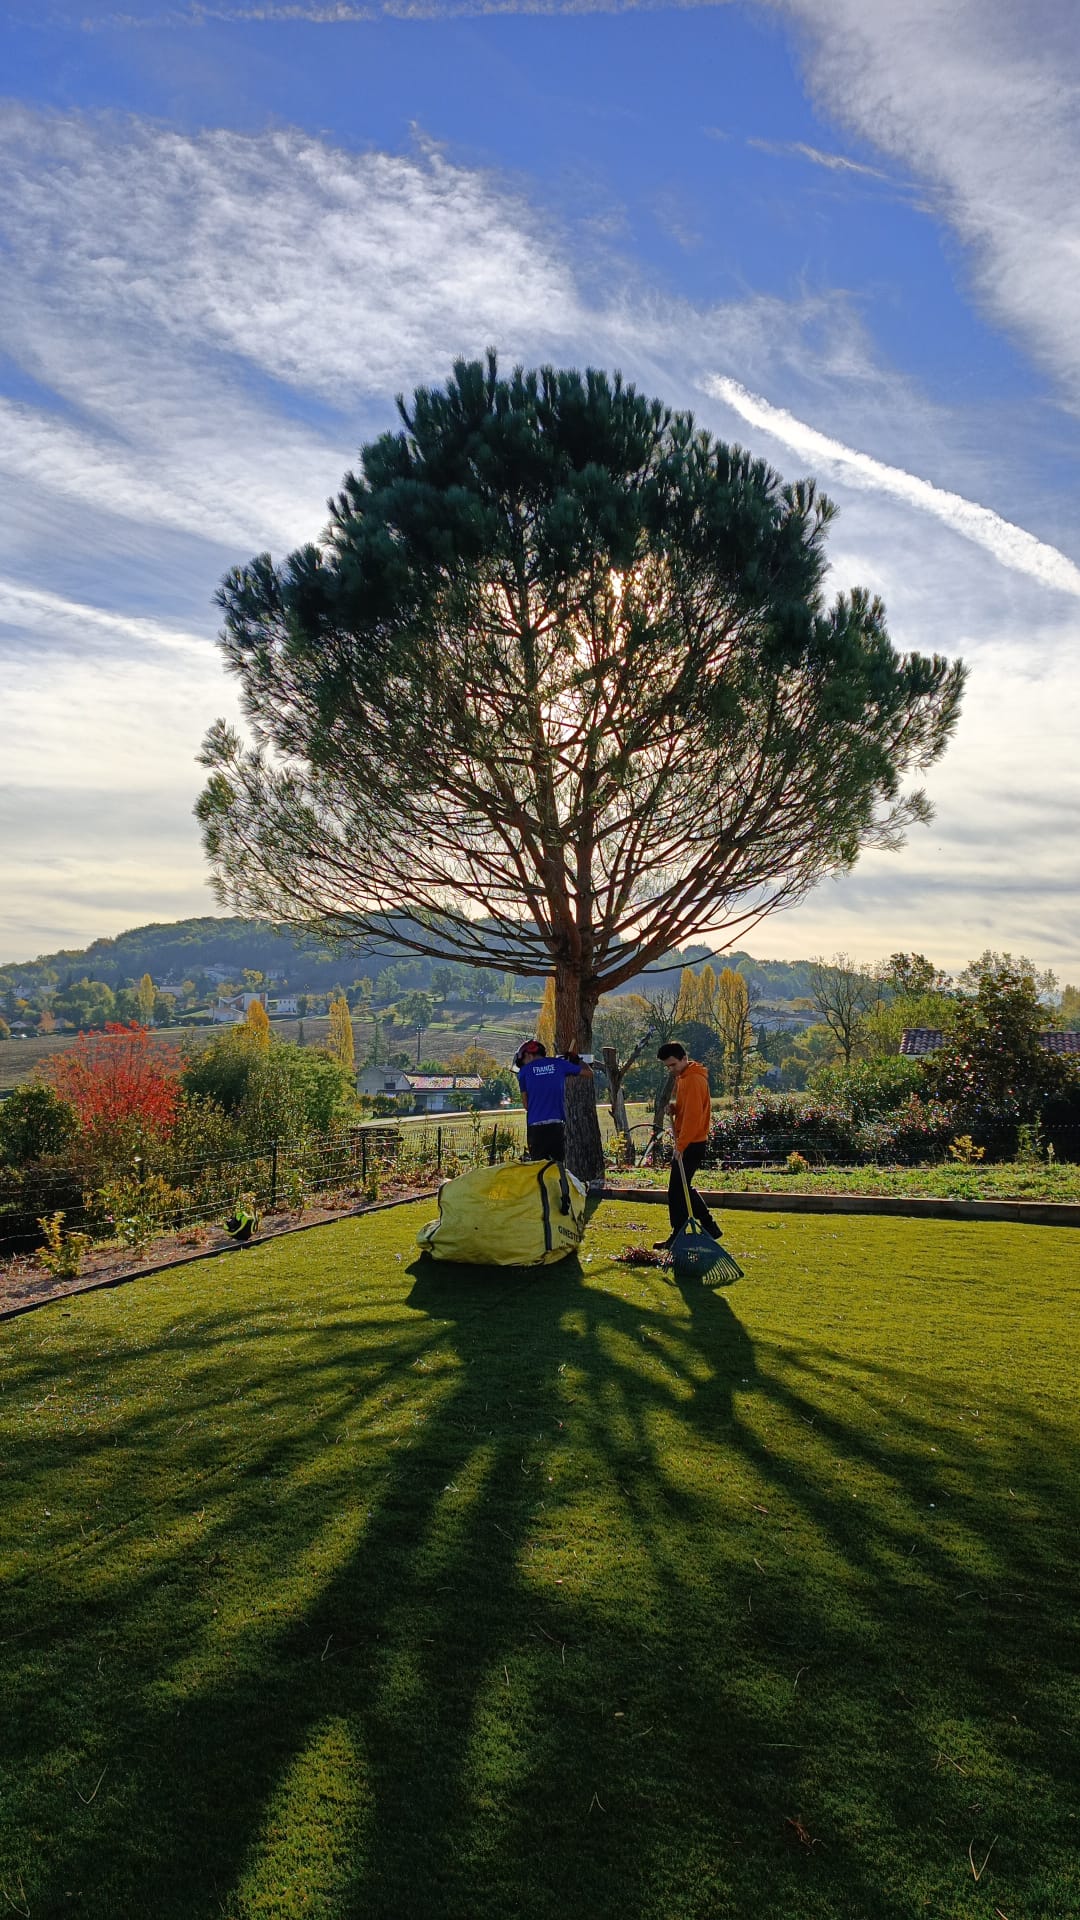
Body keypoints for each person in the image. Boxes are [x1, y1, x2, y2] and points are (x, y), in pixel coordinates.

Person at [654, 1041, 721, 1249]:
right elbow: (687, 1109)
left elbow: (693, 1118)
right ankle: (708, 1227)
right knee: (682, 1188)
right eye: (668, 1067)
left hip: (692, 1142)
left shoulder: (692, 1080)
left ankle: (681, 1233)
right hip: (690, 1141)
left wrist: (680, 1146)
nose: (671, 1069)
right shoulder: (684, 1077)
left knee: (676, 1190)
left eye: (673, 1065)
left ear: (684, 1058)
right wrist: (675, 1109)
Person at [513, 1038, 593, 1163]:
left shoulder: (523, 1072)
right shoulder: (558, 1064)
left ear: (528, 1055)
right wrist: (576, 1059)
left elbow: (526, 1104)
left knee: (538, 1168)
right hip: (556, 1125)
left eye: (523, 1061)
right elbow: (588, 1073)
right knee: (557, 1167)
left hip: (536, 1127)